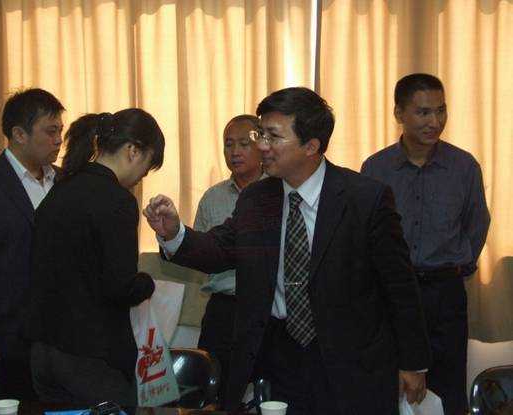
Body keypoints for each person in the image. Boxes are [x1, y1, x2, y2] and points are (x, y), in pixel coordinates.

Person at [144, 87, 431, 414]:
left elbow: (399, 285)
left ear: (311, 146)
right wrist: (174, 234)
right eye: (261, 134)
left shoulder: (365, 198)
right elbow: (220, 248)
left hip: (349, 358)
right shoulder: (257, 199)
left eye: (273, 136)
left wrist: (413, 362)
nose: (262, 146)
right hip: (279, 356)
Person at [361, 73, 491, 415]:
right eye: (423, 112)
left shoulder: (463, 166)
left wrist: (459, 263)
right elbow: (364, 234)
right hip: (391, 293)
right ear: (399, 113)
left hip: (444, 292)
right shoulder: (376, 169)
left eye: (441, 110)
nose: (435, 121)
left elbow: (477, 224)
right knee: (388, 387)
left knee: (448, 389)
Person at [28, 109, 164, 406]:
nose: (140, 178)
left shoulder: (60, 189)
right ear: (133, 151)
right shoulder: (117, 200)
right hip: (91, 357)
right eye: (146, 168)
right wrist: (147, 283)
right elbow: (119, 286)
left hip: (44, 351)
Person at [0, 88, 65, 400]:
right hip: (8, 337)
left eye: (60, 131)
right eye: (50, 131)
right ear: (19, 134)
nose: (59, 140)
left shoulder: (67, 182)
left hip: (65, 336)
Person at [193, 114, 264, 405]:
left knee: (269, 393)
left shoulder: (279, 191)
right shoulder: (212, 197)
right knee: (215, 392)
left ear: (262, 146)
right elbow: (200, 253)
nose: (235, 152)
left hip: (266, 308)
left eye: (244, 144)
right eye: (228, 144)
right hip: (223, 310)